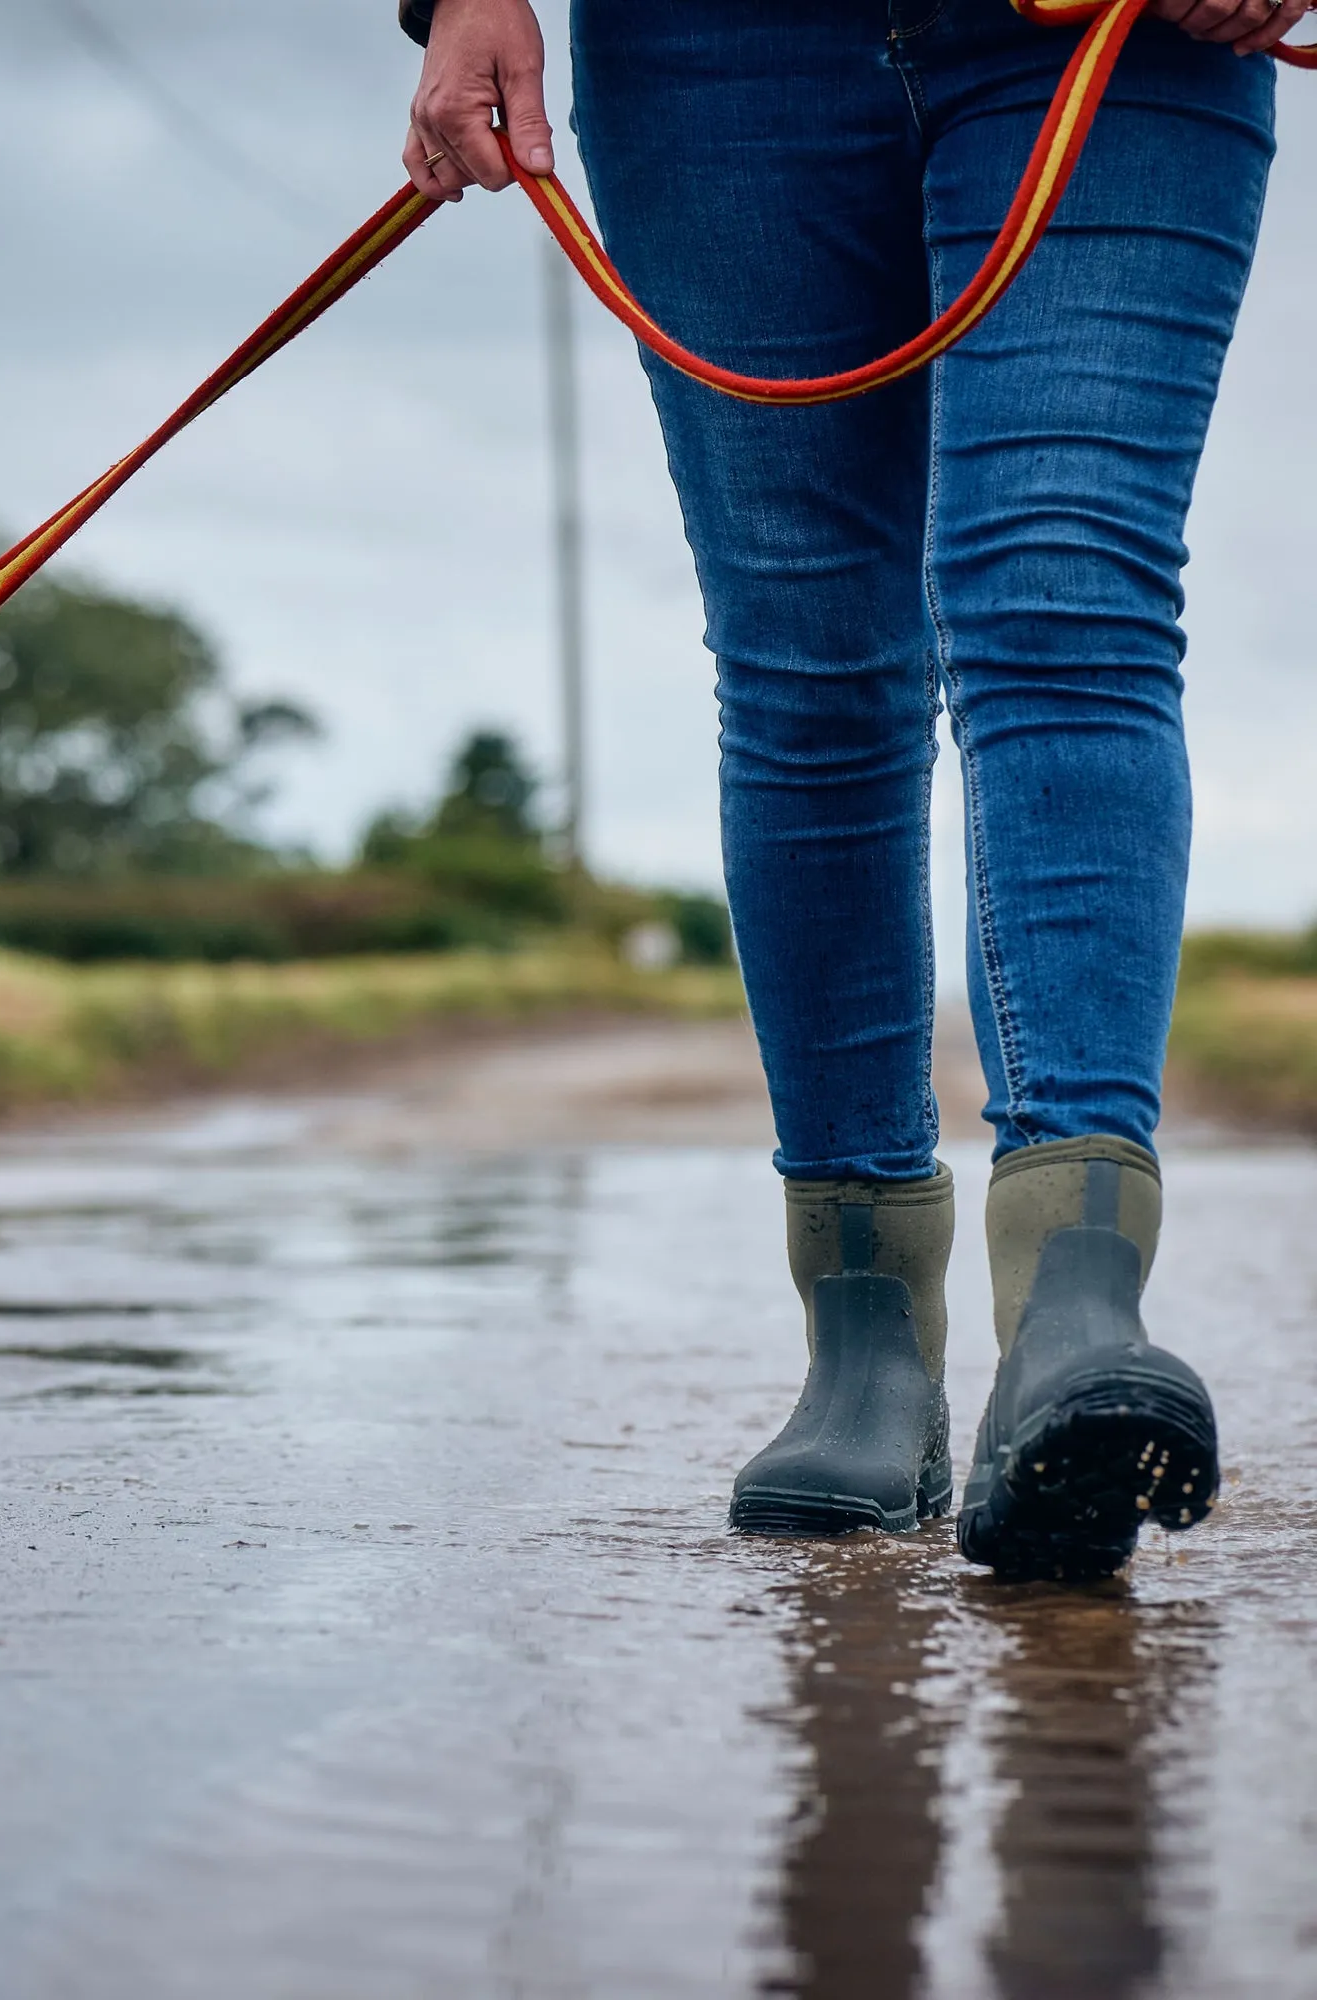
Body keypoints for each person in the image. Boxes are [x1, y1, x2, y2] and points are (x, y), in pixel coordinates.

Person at [398, 0, 1299, 1579]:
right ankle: (866, 1337)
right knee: (807, 665)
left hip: (1116, 30)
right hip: (716, 49)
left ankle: (1076, 1302)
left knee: (1065, 593)